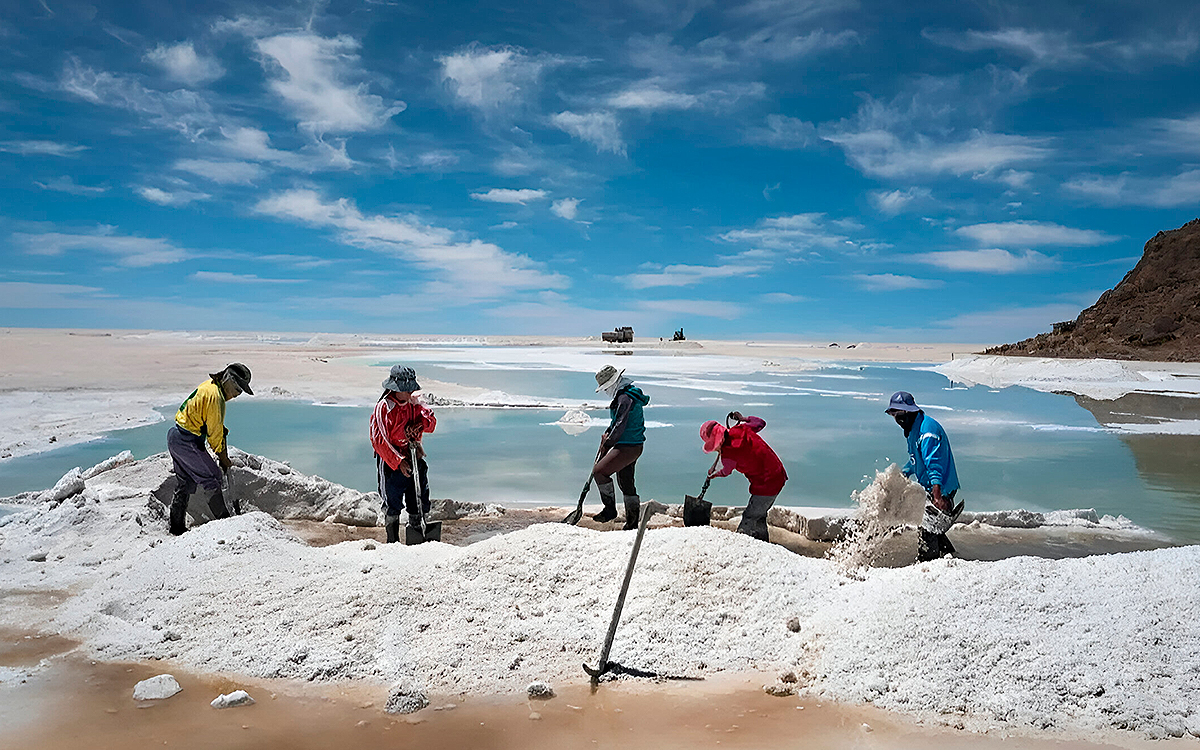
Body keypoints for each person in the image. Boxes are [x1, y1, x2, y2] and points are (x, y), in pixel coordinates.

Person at [167, 363, 254, 535]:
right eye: (237, 389)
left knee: (185, 482)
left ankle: (176, 528)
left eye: (241, 391)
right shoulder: (216, 398)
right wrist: (223, 458)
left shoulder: (211, 386)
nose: (237, 394)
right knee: (212, 477)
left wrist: (220, 429)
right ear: (227, 380)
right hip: (187, 441)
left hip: (176, 436)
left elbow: (210, 422)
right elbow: (214, 436)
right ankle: (225, 523)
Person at [885, 391, 962, 562]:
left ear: (909, 412)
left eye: (899, 415)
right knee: (934, 527)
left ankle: (927, 562)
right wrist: (902, 475)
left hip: (941, 488)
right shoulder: (913, 430)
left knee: (927, 530)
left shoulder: (927, 432)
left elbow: (934, 465)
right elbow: (916, 461)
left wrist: (938, 497)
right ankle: (952, 556)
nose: (897, 420)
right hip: (932, 487)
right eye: (893, 415)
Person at [370, 365, 437, 544]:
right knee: (392, 503)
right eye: (408, 389)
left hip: (413, 455)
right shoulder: (384, 408)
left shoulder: (413, 405)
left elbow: (431, 424)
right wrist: (398, 462)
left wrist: (421, 419)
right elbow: (379, 440)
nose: (411, 392)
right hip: (391, 463)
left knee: (419, 496)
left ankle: (418, 535)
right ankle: (392, 541)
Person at [699, 412, 787, 541]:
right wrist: (743, 419)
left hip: (766, 484)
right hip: (778, 474)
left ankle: (741, 542)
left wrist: (714, 474)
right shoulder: (741, 429)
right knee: (759, 515)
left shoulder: (728, 455)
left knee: (749, 517)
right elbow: (760, 423)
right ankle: (763, 542)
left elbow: (726, 471)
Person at [591, 365, 650, 530]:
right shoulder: (627, 395)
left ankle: (610, 510)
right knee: (625, 481)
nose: (605, 391)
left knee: (599, 472)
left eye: (605, 388)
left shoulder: (625, 398)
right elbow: (616, 423)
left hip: (627, 446)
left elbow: (620, 425)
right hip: (634, 445)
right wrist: (607, 434)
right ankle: (632, 523)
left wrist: (607, 444)